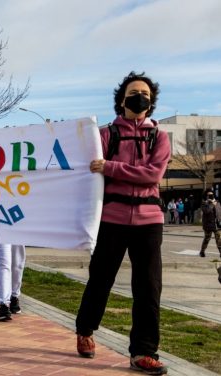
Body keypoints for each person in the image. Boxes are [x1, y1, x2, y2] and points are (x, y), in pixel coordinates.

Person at [75, 72, 170, 375]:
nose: (139, 96)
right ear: (122, 99)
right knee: (100, 280)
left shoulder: (160, 137)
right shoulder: (104, 135)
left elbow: (153, 175)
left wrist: (111, 167)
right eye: (133, 92)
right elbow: (88, 169)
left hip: (149, 221)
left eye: (144, 92)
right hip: (111, 219)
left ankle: (143, 352)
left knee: (148, 287)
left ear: (151, 101)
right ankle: (85, 331)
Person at [0, 244, 26, 321]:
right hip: (1, 232)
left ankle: (14, 297)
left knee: (17, 263)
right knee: (3, 263)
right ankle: (3, 305)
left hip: (18, 232)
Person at [199, 190, 221, 258]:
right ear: (206, 196)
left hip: (217, 224)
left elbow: (219, 212)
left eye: (212, 195)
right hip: (208, 225)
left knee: (219, 239)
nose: (211, 196)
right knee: (207, 239)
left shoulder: (217, 202)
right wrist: (211, 204)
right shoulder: (204, 203)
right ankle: (202, 251)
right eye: (209, 195)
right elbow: (206, 211)